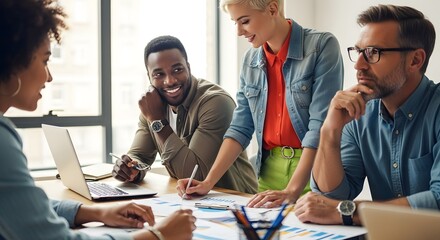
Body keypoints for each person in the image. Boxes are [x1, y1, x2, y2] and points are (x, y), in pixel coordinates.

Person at [0, 0, 195, 239]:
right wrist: (157, 236)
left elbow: (24, 209)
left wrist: (96, 212)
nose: (49, 77)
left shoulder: (212, 100)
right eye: (45, 60)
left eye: (177, 70)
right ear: (13, 60)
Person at [176, 0, 343, 207]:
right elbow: (240, 127)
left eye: (244, 21)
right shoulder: (250, 60)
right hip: (268, 171)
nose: (239, 31)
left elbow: (320, 126)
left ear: (272, 9)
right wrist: (209, 182)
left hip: (314, 168)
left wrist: (292, 190)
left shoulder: (321, 46)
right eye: (234, 23)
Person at [294, 4, 439, 226]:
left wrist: (348, 211)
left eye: (373, 53)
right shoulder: (359, 115)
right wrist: (330, 131)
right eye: (359, 52)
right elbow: (330, 200)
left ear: (415, 60)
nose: (359, 65)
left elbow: (437, 201)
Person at [111, 35, 258, 194]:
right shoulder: (153, 104)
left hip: (234, 202)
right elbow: (139, 155)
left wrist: (157, 121)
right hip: (188, 202)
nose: (170, 81)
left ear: (188, 66)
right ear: (149, 77)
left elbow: (195, 176)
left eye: (177, 69)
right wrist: (130, 169)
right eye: (159, 74)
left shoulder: (215, 102)